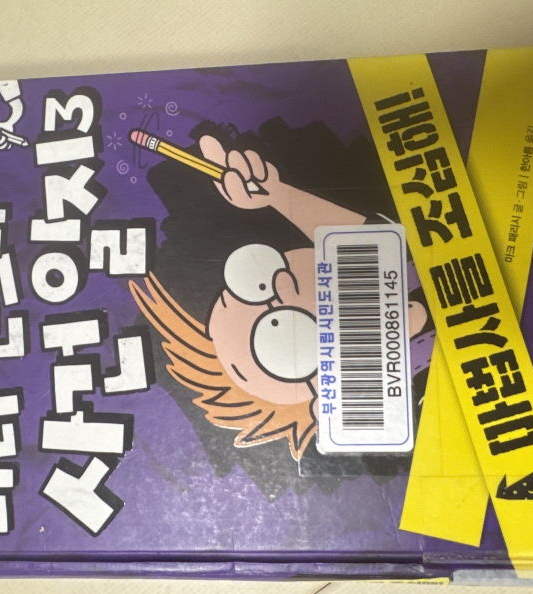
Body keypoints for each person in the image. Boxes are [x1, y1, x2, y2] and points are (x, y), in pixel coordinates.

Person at [131, 119, 429, 462]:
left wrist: (278, 195)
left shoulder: (391, 271)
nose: (283, 286)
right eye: (273, 336)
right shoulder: (403, 416)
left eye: (263, 274)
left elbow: (370, 244)